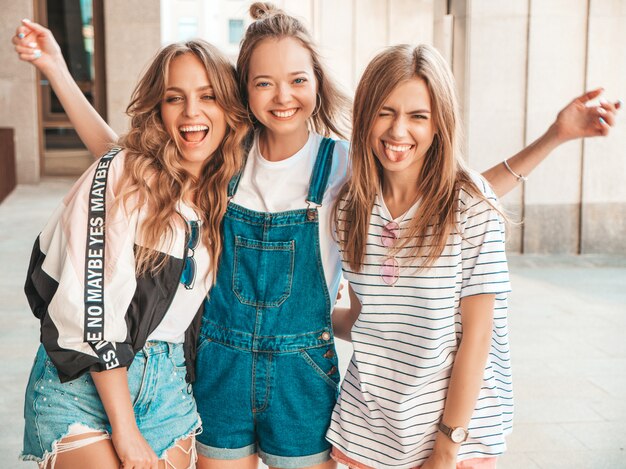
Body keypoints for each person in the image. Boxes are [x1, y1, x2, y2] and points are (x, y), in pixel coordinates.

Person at [12, 4, 619, 468]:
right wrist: (59, 71)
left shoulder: (348, 163)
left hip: (304, 372)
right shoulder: (224, 152)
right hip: (217, 363)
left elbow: (445, 198)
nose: (283, 97)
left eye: (297, 80)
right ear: (243, 93)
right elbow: (125, 160)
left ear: (317, 83)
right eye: (264, 83)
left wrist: (555, 137)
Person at [17, 34, 250, 468]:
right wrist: (125, 433)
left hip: (169, 385)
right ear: (158, 110)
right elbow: (93, 310)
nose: (192, 112)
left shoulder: (224, 193)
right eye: (174, 98)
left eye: (208, 96)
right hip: (83, 381)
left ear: (229, 110)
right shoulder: (123, 174)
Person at [328, 44, 505, 469]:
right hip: (367, 433)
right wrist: (300, 320)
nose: (398, 131)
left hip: (455, 440)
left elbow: (477, 339)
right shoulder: (349, 208)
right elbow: (363, 318)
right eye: (385, 112)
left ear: (440, 123)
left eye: (418, 116)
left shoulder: (471, 204)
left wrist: (447, 448)